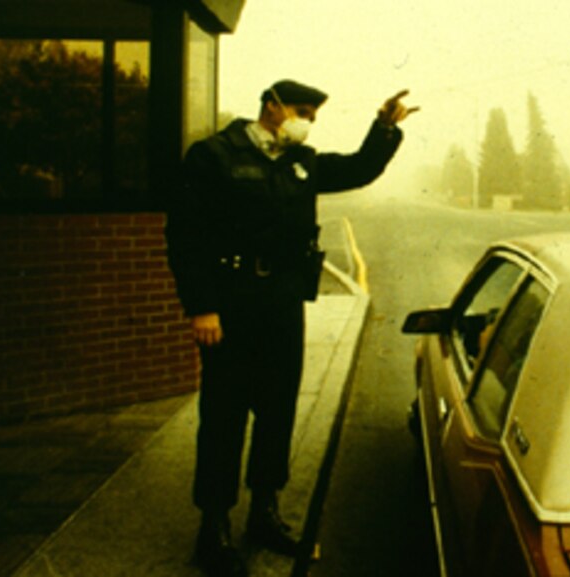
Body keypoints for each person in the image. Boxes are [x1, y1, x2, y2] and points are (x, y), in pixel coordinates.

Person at [165, 79, 417, 577]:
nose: (308, 122)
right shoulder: (214, 156)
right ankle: (213, 525)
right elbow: (186, 235)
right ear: (271, 106)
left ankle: (264, 511)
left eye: (315, 116)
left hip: (281, 302)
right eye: (302, 111)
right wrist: (202, 308)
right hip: (231, 303)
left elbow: (359, 169)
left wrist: (383, 128)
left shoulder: (301, 163)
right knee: (224, 414)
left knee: (278, 409)